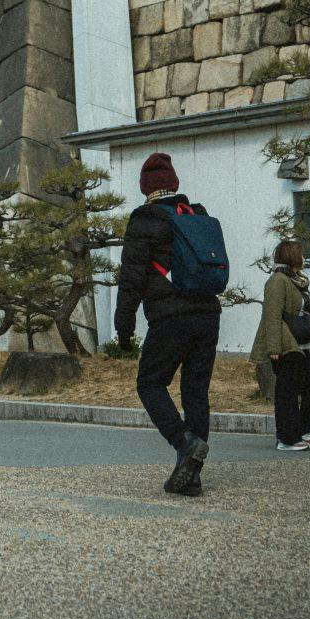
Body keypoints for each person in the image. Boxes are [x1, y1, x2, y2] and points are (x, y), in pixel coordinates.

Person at [114, 150, 222, 497]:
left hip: (170, 315)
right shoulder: (198, 214)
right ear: (174, 184)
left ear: (146, 187)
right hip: (208, 314)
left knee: (149, 383)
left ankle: (183, 444)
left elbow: (131, 276)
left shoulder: (144, 219)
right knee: (195, 392)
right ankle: (192, 476)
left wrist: (124, 325)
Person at [253, 239, 310, 453]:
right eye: (300, 254)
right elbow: (271, 316)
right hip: (284, 345)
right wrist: (273, 349)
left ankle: (307, 430)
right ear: (292, 257)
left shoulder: (295, 280)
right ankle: (287, 438)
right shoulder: (277, 281)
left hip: (300, 344)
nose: (303, 258)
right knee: (287, 392)